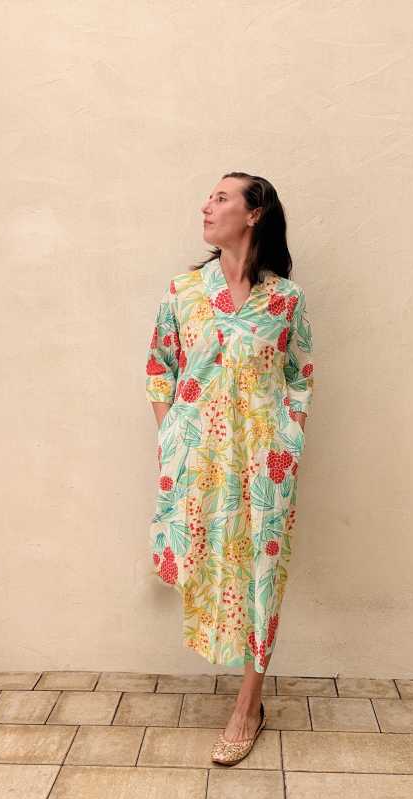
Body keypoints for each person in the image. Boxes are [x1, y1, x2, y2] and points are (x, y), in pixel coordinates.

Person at [145, 171, 314, 763]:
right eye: (208, 196)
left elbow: (300, 377)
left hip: (266, 464)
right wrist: (171, 431)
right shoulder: (184, 291)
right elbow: (159, 365)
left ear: (254, 213)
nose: (206, 206)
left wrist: (288, 440)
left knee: (263, 574)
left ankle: (249, 703)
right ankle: (243, 687)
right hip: (201, 463)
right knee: (217, 562)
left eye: (221, 197)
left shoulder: (285, 300)